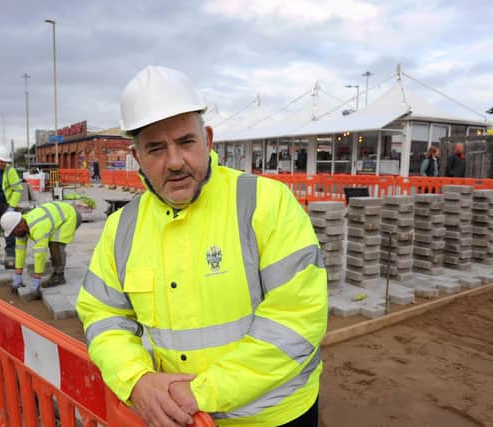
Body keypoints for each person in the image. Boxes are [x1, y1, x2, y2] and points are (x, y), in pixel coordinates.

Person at [76, 66, 327, 427]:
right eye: (156, 149)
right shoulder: (122, 229)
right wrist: (137, 381)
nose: (175, 161)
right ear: (137, 158)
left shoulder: (265, 204)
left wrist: (201, 393)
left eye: (186, 142)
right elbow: (103, 317)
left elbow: (297, 318)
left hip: (274, 417)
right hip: (182, 419)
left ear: (207, 139)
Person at [0, 202, 81, 297]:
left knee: (55, 244)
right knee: (52, 244)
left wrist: (36, 280)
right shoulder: (21, 227)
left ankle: (59, 276)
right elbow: (20, 251)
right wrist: (18, 275)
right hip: (59, 215)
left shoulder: (38, 227)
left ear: (20, 225)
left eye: (14, 232)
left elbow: (40, 254)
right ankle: (56, 262)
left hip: (70, 216)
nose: (14, 235)